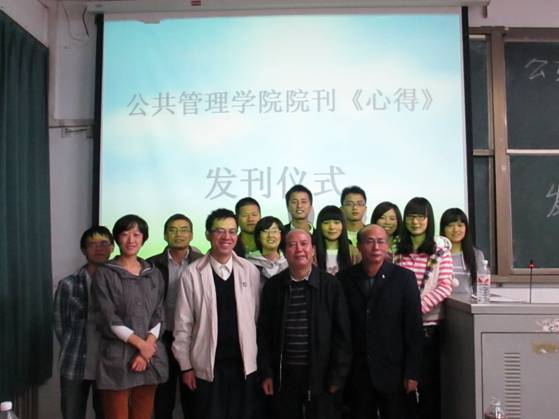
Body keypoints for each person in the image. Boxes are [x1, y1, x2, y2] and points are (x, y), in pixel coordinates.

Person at [173, 209, 261, 419]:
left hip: (243, 366)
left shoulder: (250, 271)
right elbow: (183, 326)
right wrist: (186, 367)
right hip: (206, 368)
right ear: (208, 235)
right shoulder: (192, 273)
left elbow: (256, 318)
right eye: (220, 231)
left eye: (231, 231)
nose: (226, 237)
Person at [257, 229, 352, 419]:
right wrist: (266, 373)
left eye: (304, 244)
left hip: (321, 375)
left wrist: (337, 376)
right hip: (284, 376)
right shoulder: (273, 287)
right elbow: (264, 334)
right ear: (284, 252)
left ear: (313, 249)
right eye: (292, 245)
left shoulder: (330, 285)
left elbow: (342, 335)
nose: (299, 249)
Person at [337, 224, 423, 419]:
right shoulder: (344, 279)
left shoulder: (404, 278)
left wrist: (412, 372)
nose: (376, 247)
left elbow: (413, 328)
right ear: (359, 246)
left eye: (381, 241)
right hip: (357, 373)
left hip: (394, 372)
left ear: (388, 246)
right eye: (369, 241)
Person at [93, 215, 168, 419]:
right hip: (118, 357)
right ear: (117, 239)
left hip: (149, 357)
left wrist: (147, 348)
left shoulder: (153, 273)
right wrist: (141, 345)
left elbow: (159, 312)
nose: (131, 240)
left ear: (144, 238)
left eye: (136, 235)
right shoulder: (105, 273)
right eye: (125, 234)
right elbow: (108, 316)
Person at [393, 197, 455, 419]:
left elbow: (445, 285)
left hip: (429, 328)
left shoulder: (440, 250)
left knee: (429, 387)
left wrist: (415, 309)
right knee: (403, 388)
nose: (415, 222)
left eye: (420, 217)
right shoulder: (396, 248)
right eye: (411, 217)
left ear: (429, 220)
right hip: (400, 329)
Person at [54, 226, 115, 419]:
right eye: (92, 244)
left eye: (104, 243)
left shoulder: (120, 283)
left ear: (112, 247)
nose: (99, 248)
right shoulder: (68, 284)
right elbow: (60, 324)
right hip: (75, 362)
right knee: (72, 414)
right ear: (83, 250)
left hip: (109, 365)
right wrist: (73, 345)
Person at [147, 214, 203, 419]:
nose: (179, 234)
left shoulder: (202, 262)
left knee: (194, 399)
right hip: (161, 338)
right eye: (173, 230)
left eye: (184, 229)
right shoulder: (152, 264)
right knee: (163, 399)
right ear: (164, 235)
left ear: (192, 235)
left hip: (193, 339)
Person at [440, 208, 486, 296]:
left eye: (460, 225)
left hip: (466, 304)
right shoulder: (437, 253)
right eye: (450, 225)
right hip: (438, 303)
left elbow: (481, 289)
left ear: (466, 228)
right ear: (443, 229)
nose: (455, 229)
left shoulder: (476, 255)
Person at [313, 205, 357, 276]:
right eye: (326, 223)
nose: (332, 227)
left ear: (343, 225)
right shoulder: (312, 253)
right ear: (320, 226)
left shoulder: (353, 252)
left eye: (336, 222)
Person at [246, 216, 288, 285]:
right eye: (265, 231)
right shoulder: (248, 264)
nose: (270, 235)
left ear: (281, 235)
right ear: (258, 236)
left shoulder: (289, 263)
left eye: (274, 231)